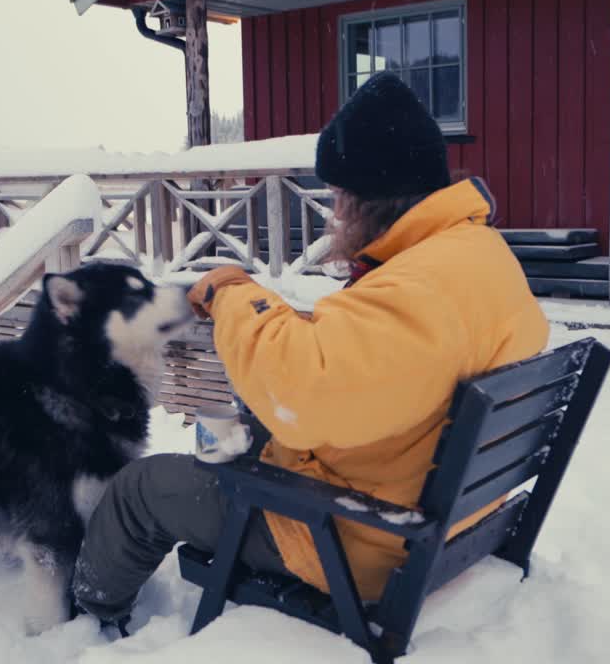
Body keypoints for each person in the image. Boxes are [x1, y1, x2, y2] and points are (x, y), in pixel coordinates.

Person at [71, 71, 550, 633]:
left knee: (140, 489)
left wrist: (232, 291)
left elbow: (304, 395)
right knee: (246, 422)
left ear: (369, 202)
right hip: (439, 504)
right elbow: (377, 356)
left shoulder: (414, 288)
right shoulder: (473, 253)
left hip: (355, 537)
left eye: (340, 199)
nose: (334, 216)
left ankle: (91, 616)